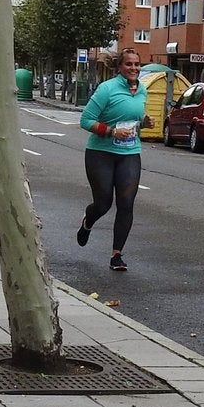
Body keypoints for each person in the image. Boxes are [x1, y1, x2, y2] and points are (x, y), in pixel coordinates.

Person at [76, 48, 154, 272]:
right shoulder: (106, 89)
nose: (134, 68)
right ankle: (87, 222)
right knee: (103, 203)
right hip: (101, 153)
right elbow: (85, 120)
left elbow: (133, 121)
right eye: (129, 64)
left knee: (126, 203)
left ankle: (116, 255)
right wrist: (111, 132)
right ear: (120, 67)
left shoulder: (142, 90)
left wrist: (143, 123)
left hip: (129, 153)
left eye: (137, 64)